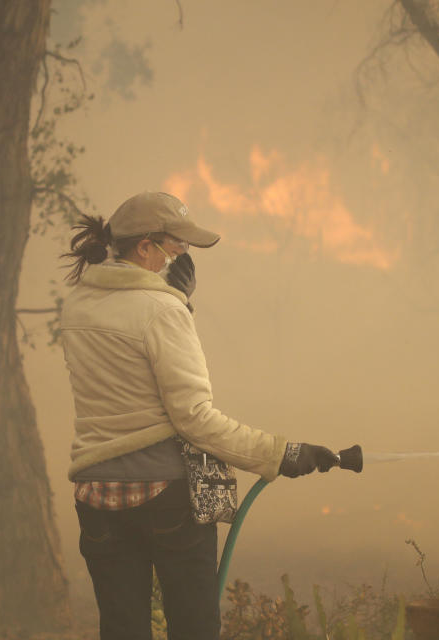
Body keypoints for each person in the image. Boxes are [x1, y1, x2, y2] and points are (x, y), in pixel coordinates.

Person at [59, 191, 337, 640]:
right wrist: (282, 453)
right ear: (145, 247)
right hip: (165, 498)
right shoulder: (162, 310)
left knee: (122, 629)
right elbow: (195, 419)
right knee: (194, 629)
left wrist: (176, 299)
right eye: (177, 245)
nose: (183, 255)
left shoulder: (76, 305)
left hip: (96, 498)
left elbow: (127, 378)